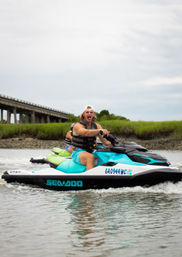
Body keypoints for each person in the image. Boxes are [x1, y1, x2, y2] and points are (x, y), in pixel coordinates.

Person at [71, 105, 112, 170]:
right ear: (83, 114)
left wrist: (114, 145)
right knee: (90, 157)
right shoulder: (77, 125)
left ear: (93, 115)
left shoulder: (97, 126)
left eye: (91, 112)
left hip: (91, 150)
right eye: (87, 112)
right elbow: (85, 132)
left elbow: (105, 141)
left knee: (105, 155)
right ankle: (90, 179)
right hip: (78, 152)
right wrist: (99, 131)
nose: (89, 113)